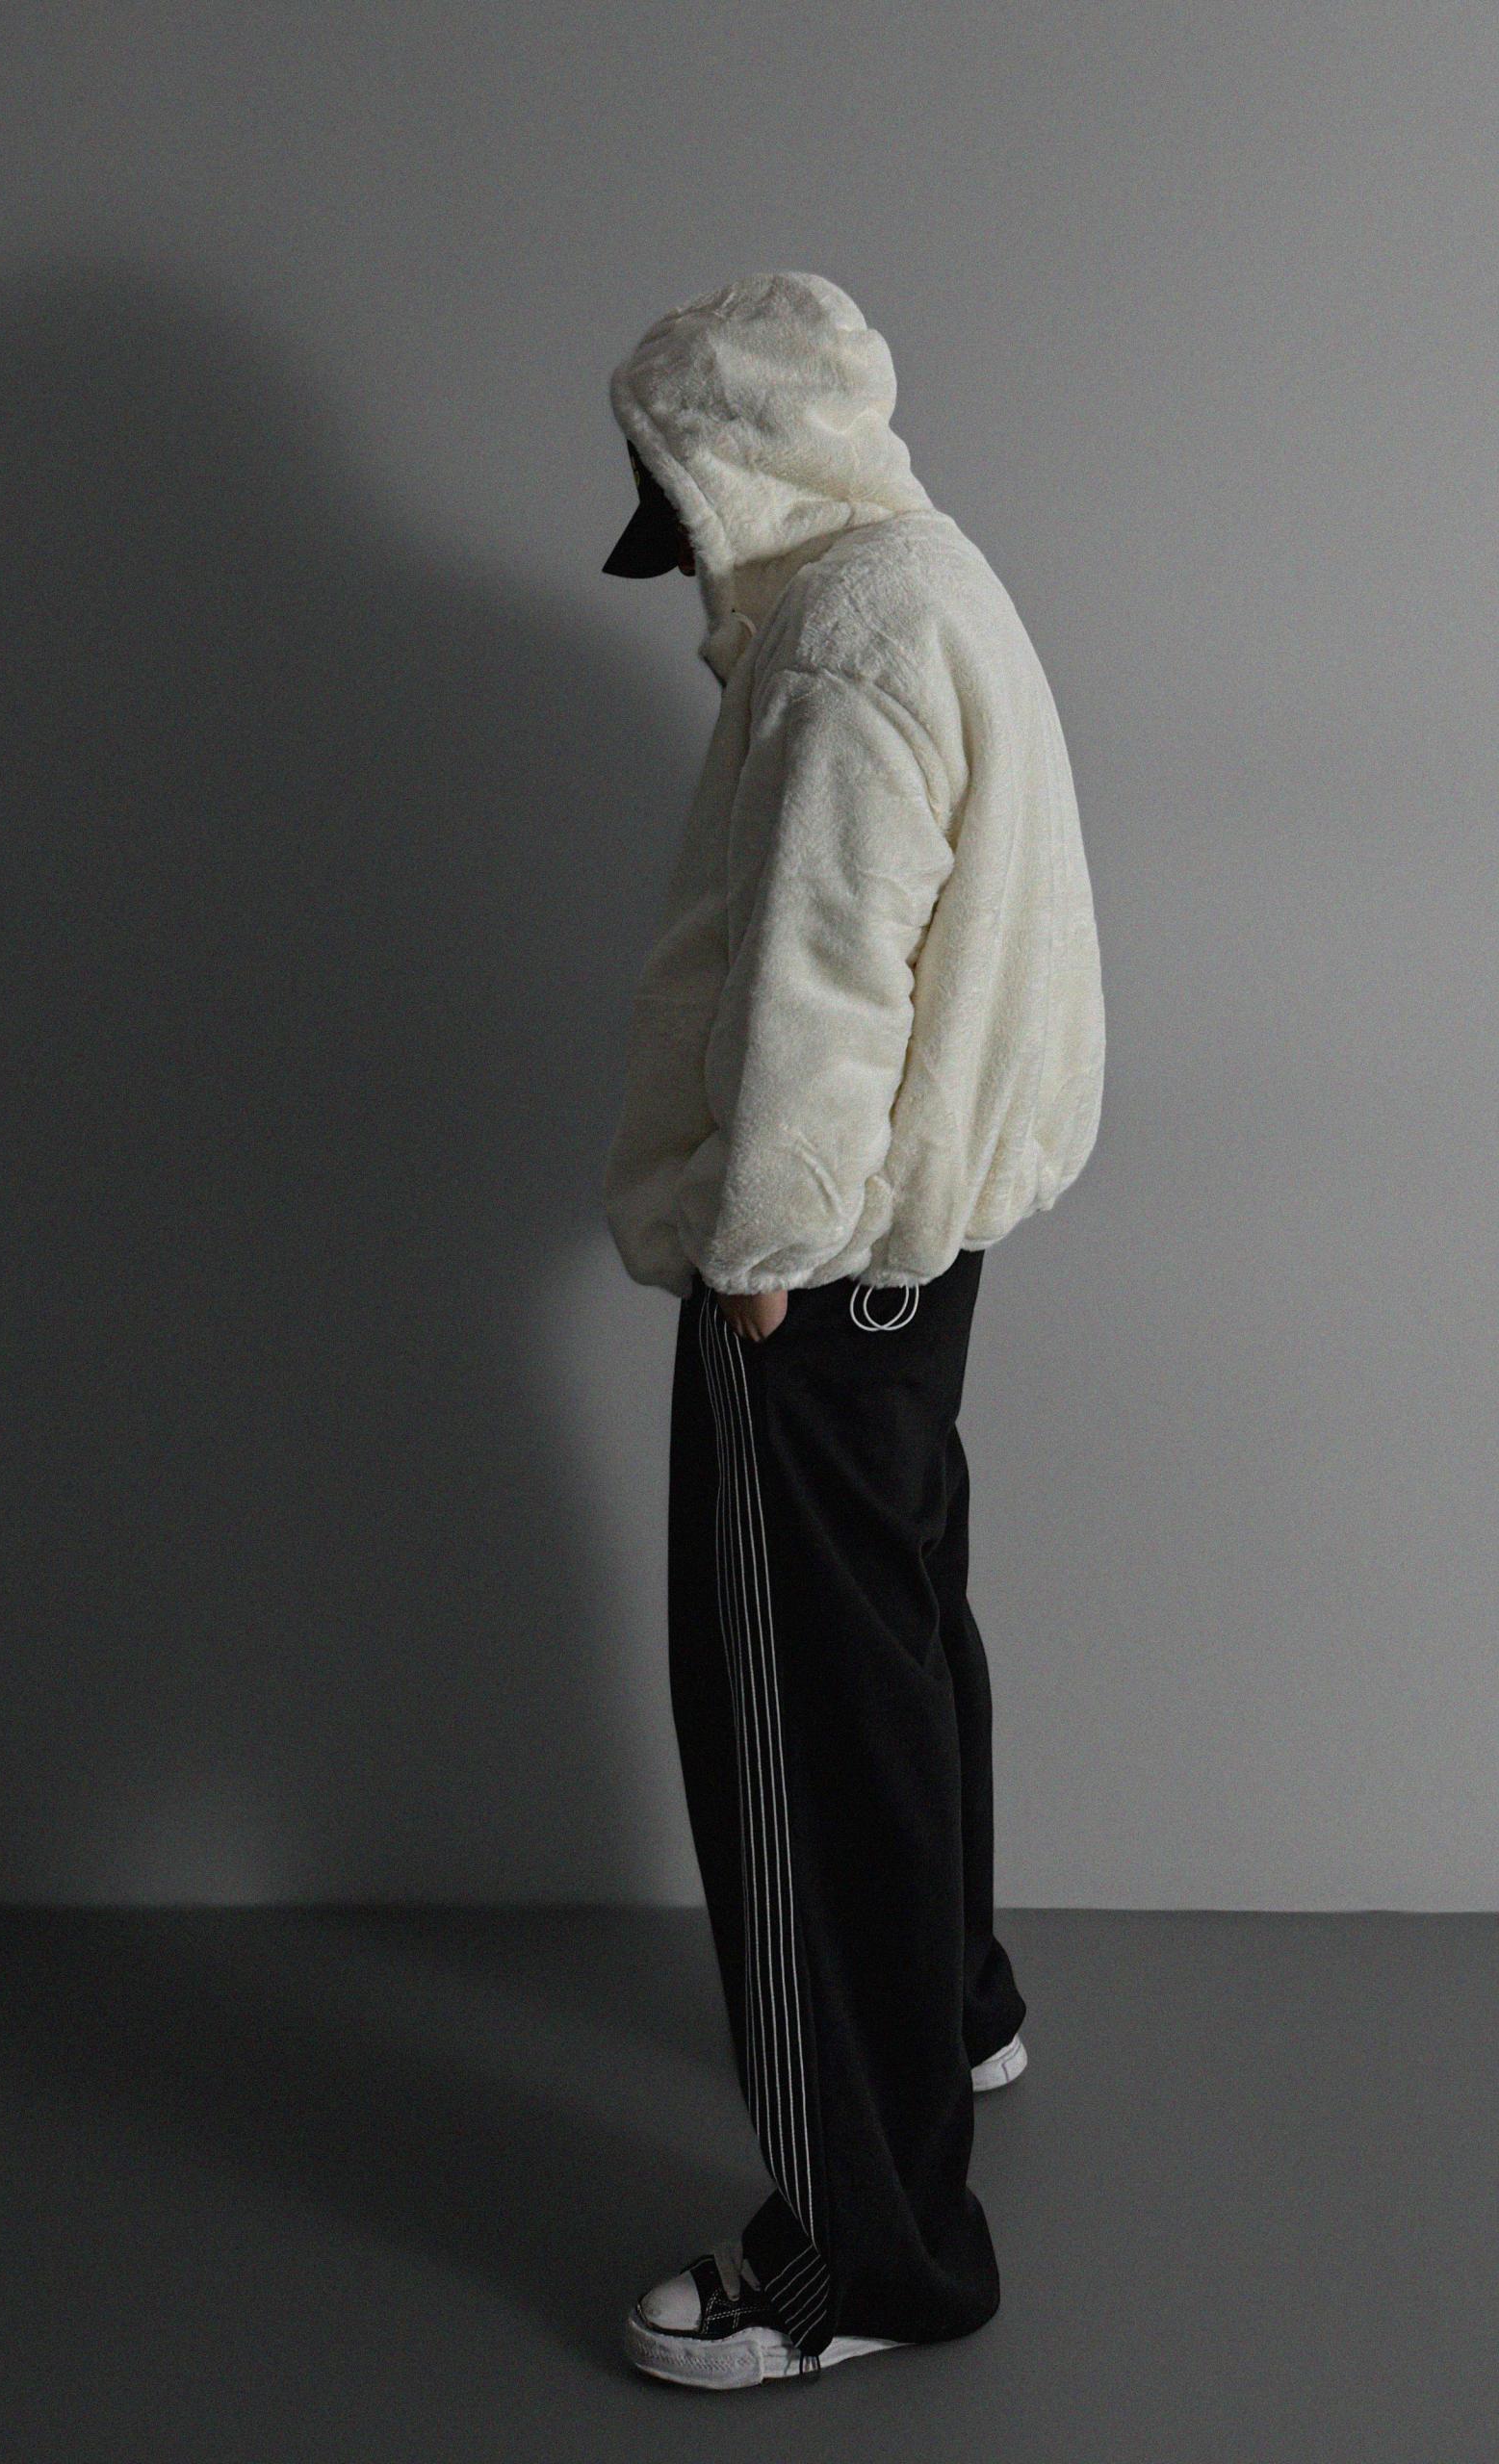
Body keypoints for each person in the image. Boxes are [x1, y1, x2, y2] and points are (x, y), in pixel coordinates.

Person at [598, 270, 1104, 2390]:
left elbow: (822, 985)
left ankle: (868, 2254)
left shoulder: (838, 651)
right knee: (897, 1649)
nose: (665, 542)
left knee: (795, 1730)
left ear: (729, 465)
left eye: (670, 491)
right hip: (935, 1245)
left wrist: (758, 1253)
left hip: (814, 1266)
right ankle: (955, 2005)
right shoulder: (938, 580)